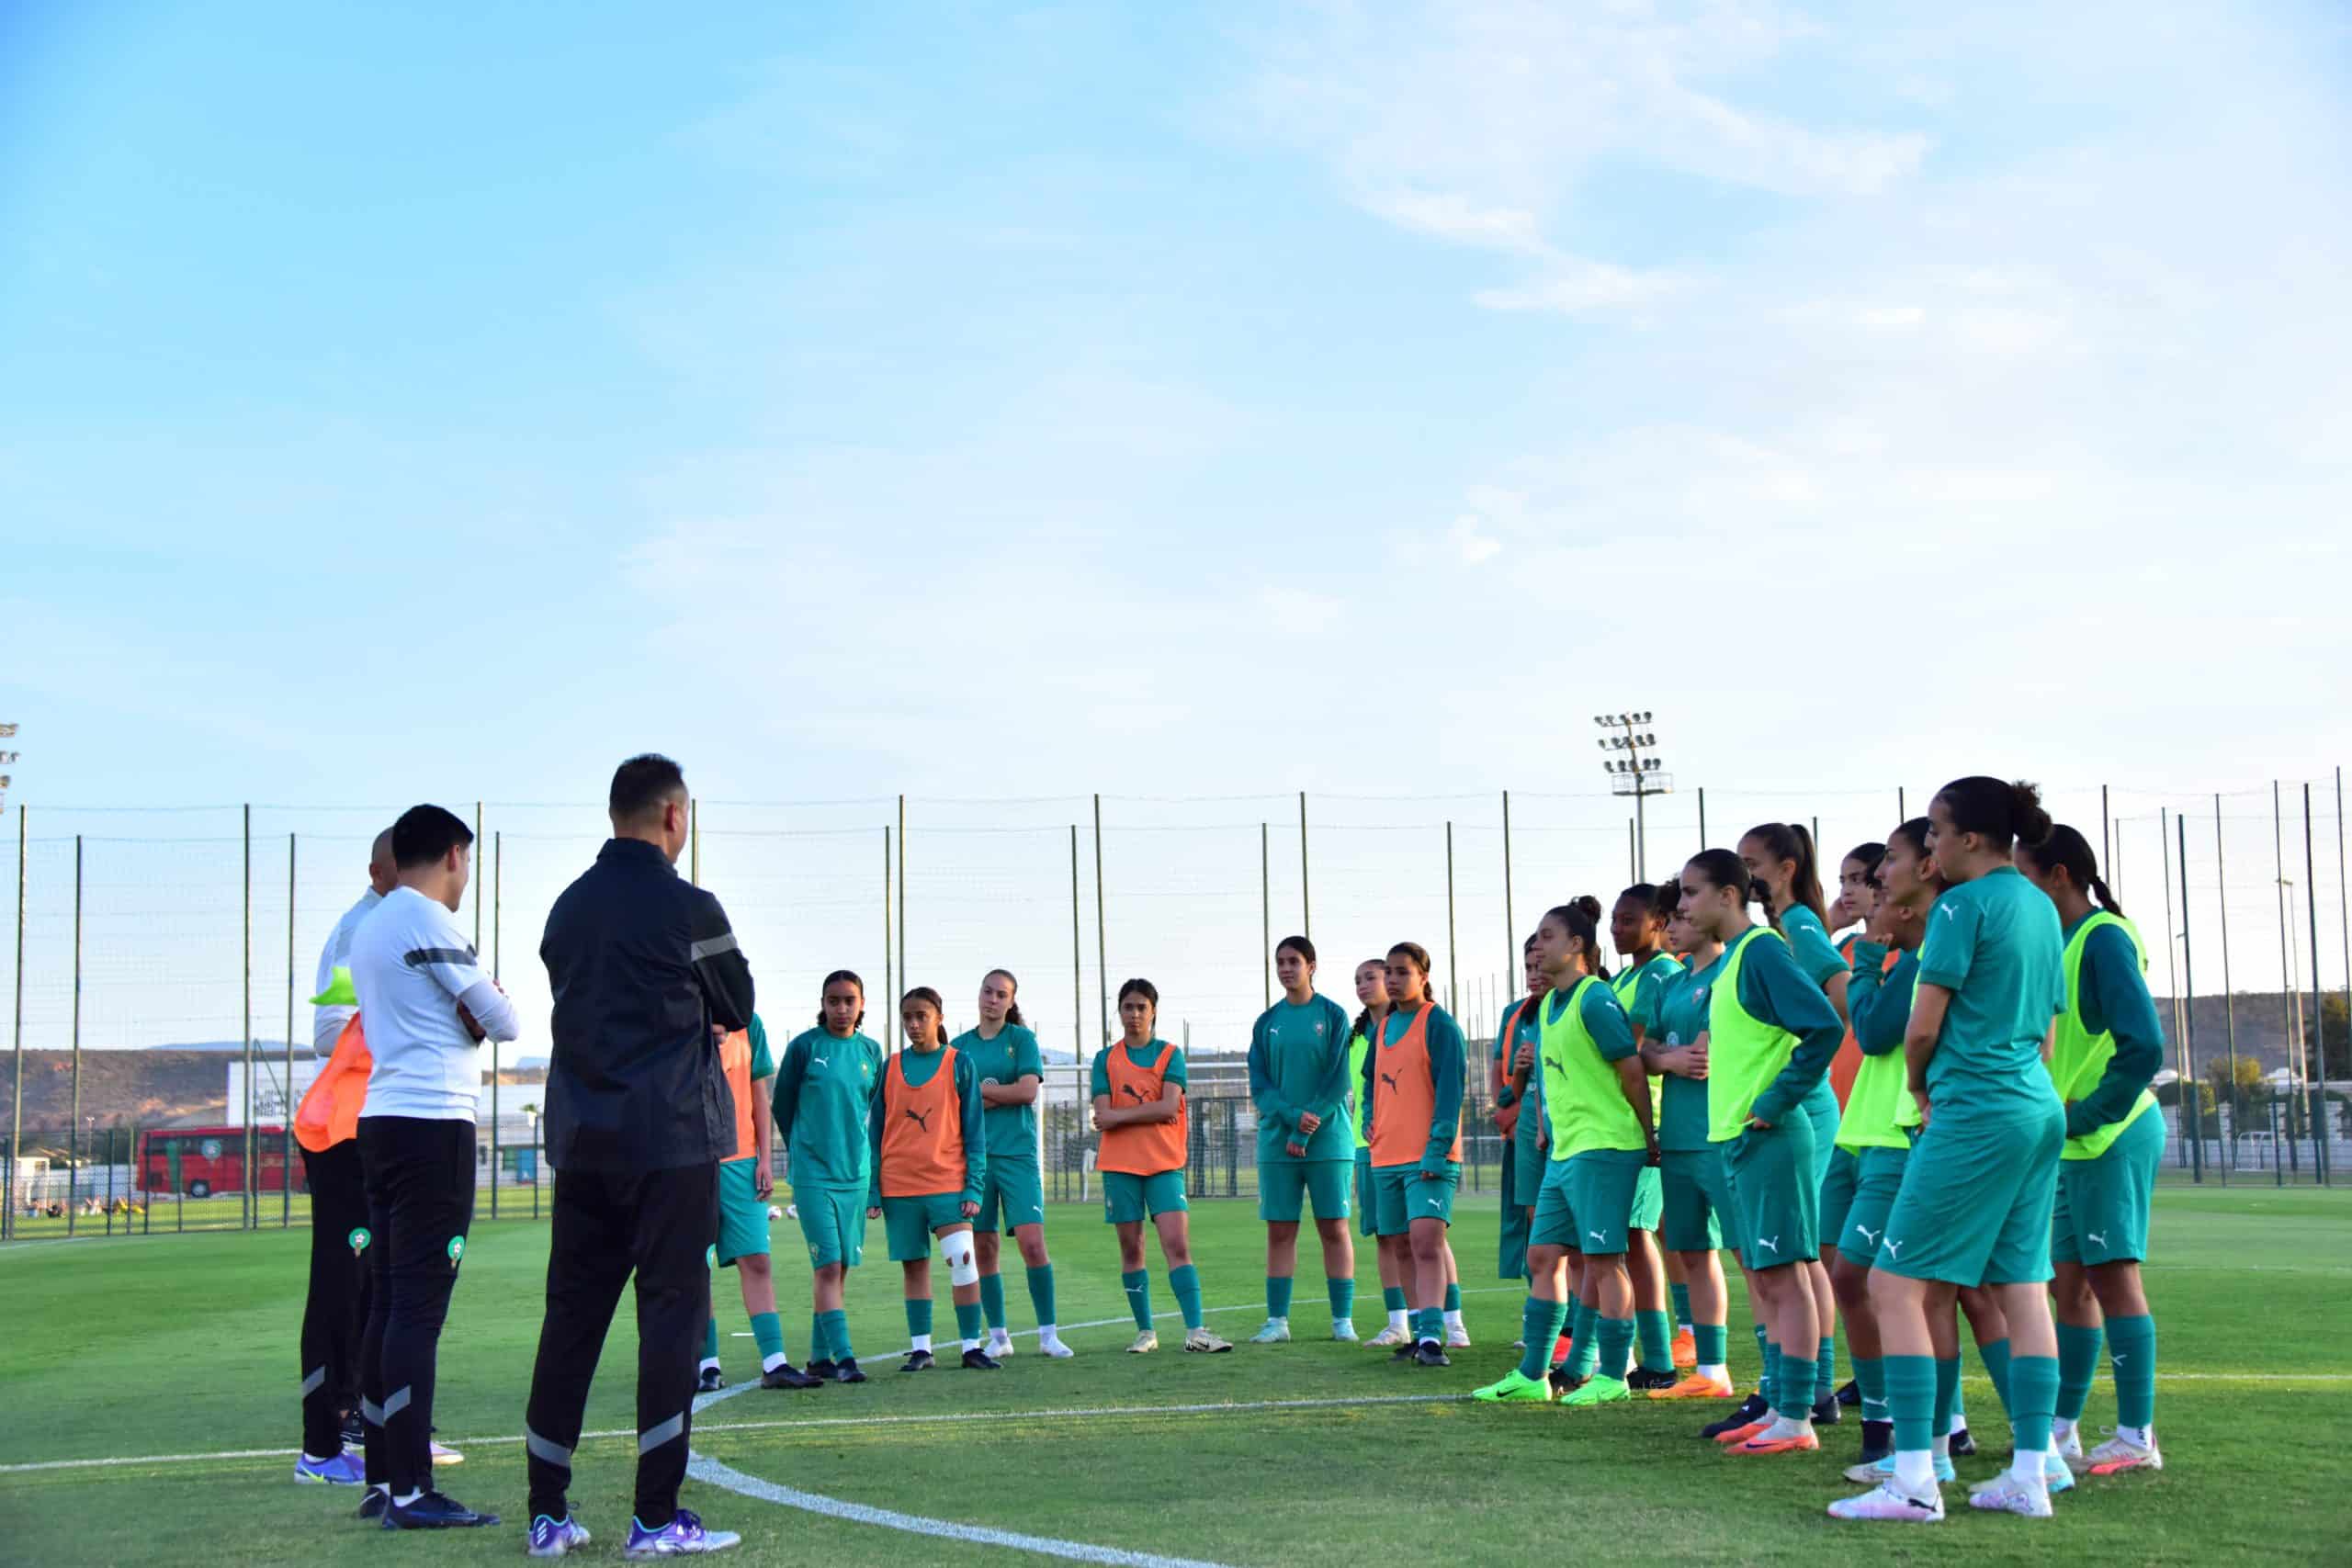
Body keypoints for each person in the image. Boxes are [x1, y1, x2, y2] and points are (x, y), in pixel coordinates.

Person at [522, 755, 754, 1558]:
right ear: (673, 816)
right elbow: (739, 1004)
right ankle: (654, 1517)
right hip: (671, 1143)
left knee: (571, 1321)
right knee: (671, 1321)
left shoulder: (567, 908)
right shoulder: (689, 906)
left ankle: (546, 1513)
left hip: (584, 1142)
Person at [1830, 777, 2070, 1525]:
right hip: (2035, 1106)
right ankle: (2034, 1469)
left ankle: (1913, 1479)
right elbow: (2049, 1027)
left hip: (1975, 1110)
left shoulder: (1963, 906)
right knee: (2022, 1288)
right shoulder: (2036, 901)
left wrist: (1922, 1088)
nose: (1928, 845)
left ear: (1970, 837)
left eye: (1934, 831)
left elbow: (1922, 1026)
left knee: (1895, 1287)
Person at [349, 805, 517, 1530]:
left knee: (387, 1305)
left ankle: (385, 1477)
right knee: (416, 1312)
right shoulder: (428, 918)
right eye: (467, 863)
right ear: (453, 853)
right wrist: (477, 1007)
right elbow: (503, 1020)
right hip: (431, 1125)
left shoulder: (374, 922)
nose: (466, 878)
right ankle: (414, 1491)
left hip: (382, 1119)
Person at [1677, 848, 1843, 1457]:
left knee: (1788, 1275)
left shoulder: (1763, 949)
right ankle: (1779, 1402)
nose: (1684, 905)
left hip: (1769, 1137)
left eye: (1692, 893)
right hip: (1737, 1140)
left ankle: (1796, 1416)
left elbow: (1824, 1025)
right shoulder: (1733, 964)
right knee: (1768, 1280)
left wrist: (1775, 1099)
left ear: (1728, 894)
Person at [2018, 824, 2166, 1477]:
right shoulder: (2062, 940)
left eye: (2022, 876)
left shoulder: (2103, 936)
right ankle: (2064, 1427)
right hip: (2075, 1139)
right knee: (2068, 1284)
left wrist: (2089, 1112)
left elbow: (2145, 1047)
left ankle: (2137, 1435)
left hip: (2111, 1132)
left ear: (2056, 877)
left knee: (2113, 1278)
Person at [1477, 899, 1654, 1405]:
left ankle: (1615, 1375)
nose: (1537, 945)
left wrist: (1647, 1136)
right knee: (1542, 1255)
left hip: (1605, 1148)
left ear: (1577, 945)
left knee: (1604, 1262)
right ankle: (1533, 1376)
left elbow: (1631, 1068)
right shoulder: (1548, 1007)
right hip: (1564, 1152)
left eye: (1547, 935)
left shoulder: (1594, 999)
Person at [291, 829, 395, 1490]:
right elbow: (329, 1029)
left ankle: (363, 1411)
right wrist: (396, 1021)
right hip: (340, 1132)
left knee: (376, 1275)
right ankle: (326, 1433)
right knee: (340, 1280)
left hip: (380, 1128)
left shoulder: (403, 928)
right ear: (380, 870)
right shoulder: (357, 931)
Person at [1741, 822, 1849, 1427]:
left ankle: (1808, 1390)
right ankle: (1807, 1389)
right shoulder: (1789, 924)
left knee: (1797, 1257)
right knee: (1794, 1255)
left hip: (1800, 1102)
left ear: (1785, 866)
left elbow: (1837, 997)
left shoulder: (1798, 923)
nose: (1745, 873)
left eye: (1752, 862)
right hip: (1798, 1098)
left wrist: (1790, 1062)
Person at [1638, 891, 1742, 1404]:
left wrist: (1698, 1055)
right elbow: (1648, 1050)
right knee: (1693, 1252)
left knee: (1750, 1256)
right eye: (1672, 917)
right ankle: (1711, 1368)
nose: (1674, 926)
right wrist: (1671, 1059)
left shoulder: (1733, 972)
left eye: (1682, 915)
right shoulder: (1674, 984)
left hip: (1723, 1135)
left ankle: (1790, 1382)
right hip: (1677, 1138)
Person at [1093, 978, 1230, 1353]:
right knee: (1131, 1249)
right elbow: (1103, 1113)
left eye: (1141, 1007)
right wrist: (1144, 1113)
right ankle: (1145, 1332)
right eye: (1128, 1007)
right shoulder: (1105, 1059)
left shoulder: (1171, 1055)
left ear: (1153, 1011)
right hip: (1120, 1166)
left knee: (1176, 1244)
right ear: (1119, 1012)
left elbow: (1169, 1107)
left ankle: (1196, 1332)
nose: (1134, 1014)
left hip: (1164, 1165)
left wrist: (1122, 1117)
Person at [867, 988, 996, 1372]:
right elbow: (874, 1133)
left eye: (921, 1016)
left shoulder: (959, 1063)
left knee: (963, 1259)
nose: (913, 1024)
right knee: (914, 1266)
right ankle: (921, 1349)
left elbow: (975, 1130)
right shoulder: (889, 1067)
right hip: (899, 1187)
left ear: (939, 1017)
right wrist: (874, 1189)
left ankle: (971, 1346)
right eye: (907, 1017)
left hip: (947, 1183)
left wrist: (973, 1185)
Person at [698, 1010, 822, 1393]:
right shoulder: (677, 1010)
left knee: (757, 1259)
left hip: (741, 1160)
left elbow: (758, 1091)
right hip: (686, 1161)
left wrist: (765, 1158)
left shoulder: (748, 1021)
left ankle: (775, 1362)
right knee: (691, 1267)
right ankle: (706, 1365)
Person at [772, 973, 887, 1383]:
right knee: (827, 1264)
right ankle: (845, 1357)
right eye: (834, 1001)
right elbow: (782, 1105)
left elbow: (866, 1106)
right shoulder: (804, 1048)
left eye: (849, 1000)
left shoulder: (871, 1052)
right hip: (813, 1174)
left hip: (854, 1174)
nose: (841, 1009)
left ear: (861, 1003)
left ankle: (819, 1359)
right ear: (822, 1002)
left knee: (841, 1269)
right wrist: (804, 1146)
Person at [1246, 935, 1360, 1344]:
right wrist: (1293, 1121)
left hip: (1328, 1142)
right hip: (1278, 1144)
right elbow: (1260, 1087)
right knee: (1280, 1232)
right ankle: (1277, 1322)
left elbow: (1338, 1079)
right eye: (1279, 962)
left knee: (1334, 1228)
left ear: (1312, 965)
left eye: (1293, 961)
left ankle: (1342, 1321)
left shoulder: (1333, 1015)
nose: (1285, 968)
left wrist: (1306, 1128)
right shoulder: (1266, 1022)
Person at [957, 969, 1073, 1361]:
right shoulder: (959, 1048)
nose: (992, 999)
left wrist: (982, 1093)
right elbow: (956, 1104)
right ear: (979, 995)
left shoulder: (1021, 1040)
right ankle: (999, 1336)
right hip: (974, 1159)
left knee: (1032, 1243)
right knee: (983, 1247)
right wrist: (989, 1097)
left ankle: (1048, 1334)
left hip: (1018, 1157)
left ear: (1011, 1001)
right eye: (987, 991)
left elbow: (1026, 1092)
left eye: (1001, 994)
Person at [1362, 942, 1465, 1369]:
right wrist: (1370, 1116)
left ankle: (1432, 1338)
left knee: (1426, 1242)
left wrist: (1437, 1148)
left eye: (1402, 971)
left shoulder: (1438, 1024)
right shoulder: (1384, 1026)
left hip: (1428, 1157)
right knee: (1401, 1244)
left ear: (1423, 976)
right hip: (1386, 1155)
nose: (1392, 979)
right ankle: (1417, 1329)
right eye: (1388, 971)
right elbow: (1371, 1078)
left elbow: (1450, 1090)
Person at [1609, 885, 1686, 1389]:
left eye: (1629, 919)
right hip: (1611, 1123)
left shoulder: (1664, 974)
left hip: (1645, 1124)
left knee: (1637, 1236)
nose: (1617, 928)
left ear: (1658, 920)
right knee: (1622, 1240)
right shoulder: (1621, 978)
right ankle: (1633, 1354)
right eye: (1613, 919)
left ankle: (1658, 1359)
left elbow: (1638, 1047)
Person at [1347, 961, 1412, 1348]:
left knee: (1426, 1238)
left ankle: (1452, 1325)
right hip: (1365, 1146)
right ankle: (1398, 1324)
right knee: (1385, 1237)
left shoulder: (1407, 1026)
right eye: (1357, 980)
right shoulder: (1356, 1037)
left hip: (1407, 1145)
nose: (1364, 985)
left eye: (1371, 977)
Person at [1491, 938, 1550, 1341]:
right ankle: (1542, 1317)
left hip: (1571, 1131)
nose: (1534, 975)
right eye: (1528, 967)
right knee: (1535, 1226)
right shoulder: (1517, 1015)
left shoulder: (1580, 1002)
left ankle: (1582, 1329)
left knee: (1576, 1234)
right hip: (1527, 1130)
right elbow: (1503, 1076)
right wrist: (1508, 1110)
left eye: (1540, 965)